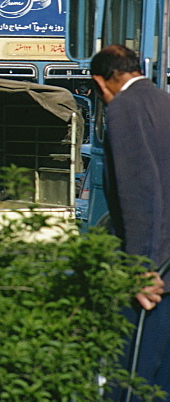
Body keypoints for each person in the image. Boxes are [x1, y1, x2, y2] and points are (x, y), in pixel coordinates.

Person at [90, 44, 170, 395]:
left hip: (152, 272)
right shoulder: (164, 102)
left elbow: (140, 192)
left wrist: (142, 267)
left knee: (132, 375)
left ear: (100, 82)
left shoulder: (123, 108)